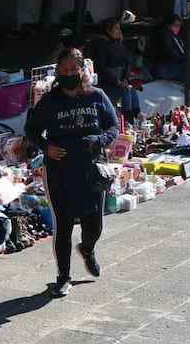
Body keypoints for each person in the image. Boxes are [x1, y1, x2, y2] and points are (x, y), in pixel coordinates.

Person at [24, 48, 119, 298]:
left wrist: (98, 140)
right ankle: (63, 276)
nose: (68, 74)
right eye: (63, 70)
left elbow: (113, 127)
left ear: (82, 70)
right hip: (60, 169)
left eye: (73, 69)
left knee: (94, 222)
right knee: (63, 225)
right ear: (57, 72)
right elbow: (32, 130)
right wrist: (47, 146)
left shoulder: (97, 96)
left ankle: (87, 248)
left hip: (91, 167)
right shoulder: (49, 102)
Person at [91, 18, 140, 120]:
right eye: (116, 29)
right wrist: (116, 82)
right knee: (126, 91)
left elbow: (126, 63)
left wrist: (125, 78)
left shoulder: (119, 44)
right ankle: (128, 119)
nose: (119, 31)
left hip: (120, 80)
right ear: (108, 30)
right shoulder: (102, 45)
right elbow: (100, 68)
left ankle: (137, 116)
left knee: (131, 89)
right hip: (107, 82)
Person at [150, 13, 186, 81]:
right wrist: (181, 58)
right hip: (166, 67)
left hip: (169, 66)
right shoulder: (165, 35)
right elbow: (168, 50)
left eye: (179, 26)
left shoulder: (174, 36)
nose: (178, 28)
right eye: (175, 25)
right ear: (168, 25)